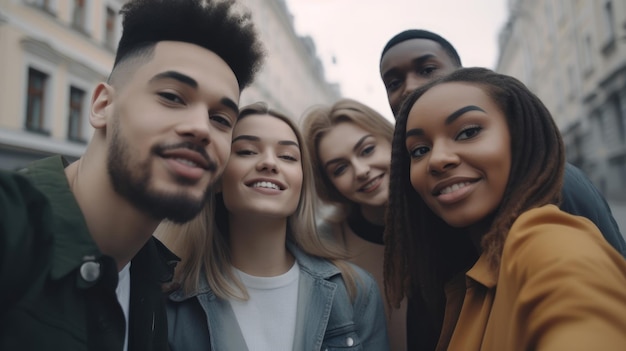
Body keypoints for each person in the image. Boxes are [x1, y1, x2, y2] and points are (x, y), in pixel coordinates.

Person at [0, 0, 264, 350]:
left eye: (221, 119)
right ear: (102, 106)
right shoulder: (11, 223)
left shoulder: (155, 283)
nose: (202, 128)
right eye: (172, 97)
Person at [385, 67, 626, 351]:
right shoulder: (465, 277)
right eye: (419, 150)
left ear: (520, 137)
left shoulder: (547, 243)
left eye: (468, 132)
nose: (437, 159)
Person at [156, 102, 389, 351]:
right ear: (217, 178)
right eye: (246, 151)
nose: (269, 163)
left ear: (302, 183)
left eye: (287, 156)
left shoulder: (356, 290)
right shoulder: (167, 298)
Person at [379, 29, 626, 258]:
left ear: (461, 73)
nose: (409, 87)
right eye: (393, 83)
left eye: (427, 69)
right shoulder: (419, 198)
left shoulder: (553, 185)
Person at [300, 98, 407, 351]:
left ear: (392, 140)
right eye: (339, 169)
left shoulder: (446, 218)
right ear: (329, 183)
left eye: (367, 150)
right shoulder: (323, 246)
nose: (360, 170)